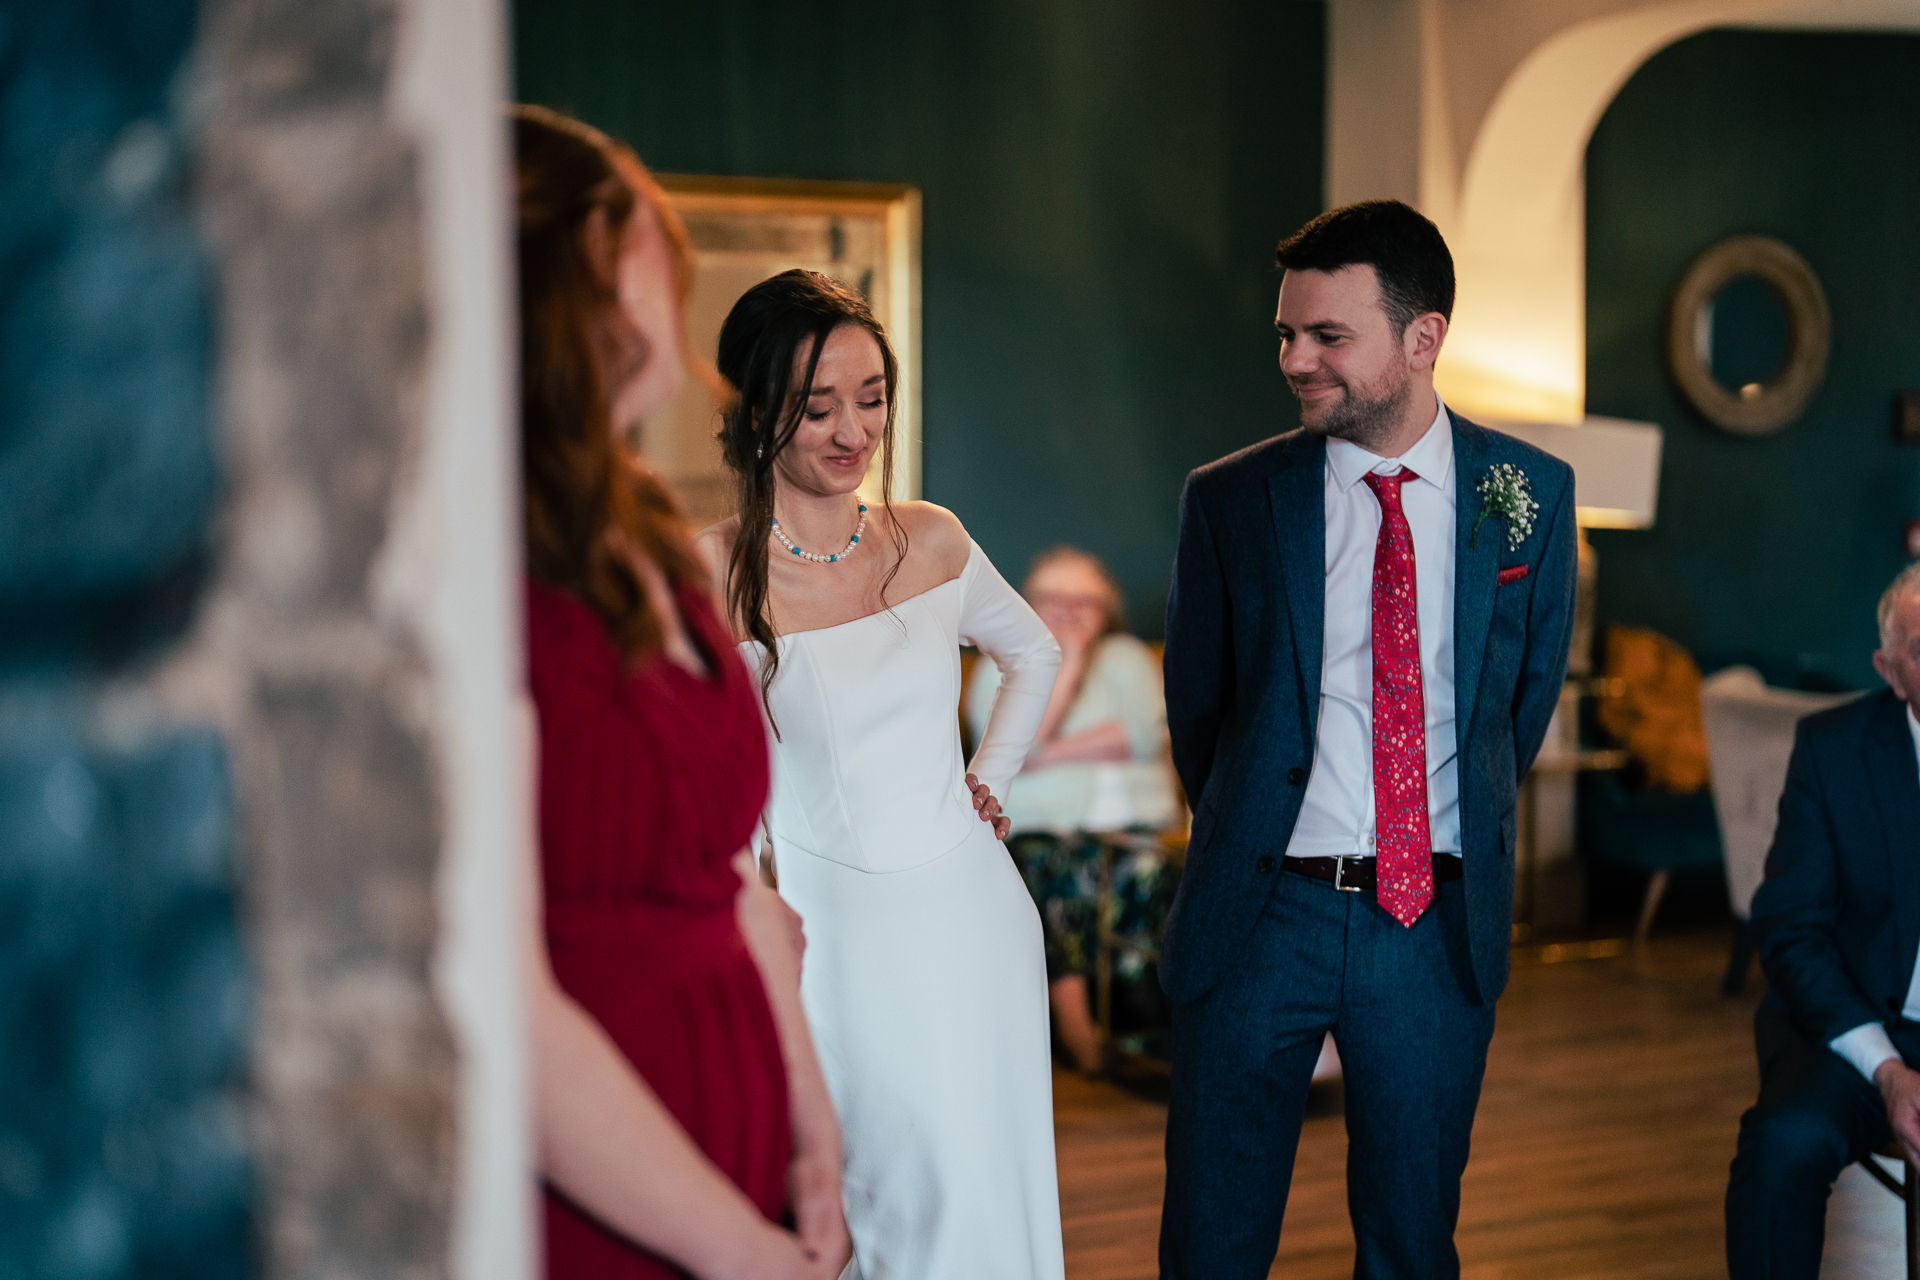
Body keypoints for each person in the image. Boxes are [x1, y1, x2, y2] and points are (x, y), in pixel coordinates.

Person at [1157, 199, 1577, 1279]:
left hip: (1431, 926)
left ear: (1421, 338)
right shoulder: (1231, 500)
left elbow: (1516, 709)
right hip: (1260, 913)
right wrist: (1259, 827)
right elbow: (1198, 710)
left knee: (1409, 1240)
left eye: (1327, 336)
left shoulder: (1529, 495)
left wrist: (1425, 833)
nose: (1297, 359)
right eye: (1287, 334)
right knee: (1212, 1236)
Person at [513, 106, 846, 1280]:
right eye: (642, 239)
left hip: (744, 1145)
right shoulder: (479, 574)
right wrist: (737, 1249)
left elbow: (730, 888)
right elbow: (506, 1000)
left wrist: (813, 1132)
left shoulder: (645, 533)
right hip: (611, 1184)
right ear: (578, 262)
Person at [693, 268, 1067, 1280]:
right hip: (834, 931)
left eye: (871, 399)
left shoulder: (930, 536)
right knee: (885, 1187)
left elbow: (1033, 654)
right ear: (756, 410)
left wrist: (990, 776)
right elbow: (701, 778)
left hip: (971, 912)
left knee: (988, 1180)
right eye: (819, 406)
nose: (853, 430)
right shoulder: (707, 570)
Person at [1726, 562, 1920, 1279]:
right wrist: (1890, 1070)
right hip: (1859, 1032)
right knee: (1781, 1146)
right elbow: (1791, 928)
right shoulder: (1834, 751)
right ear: (1890, 671)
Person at [965, 547, 1181, 1072]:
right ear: (1026, 602)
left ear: (1106, 609)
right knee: (1058, 872)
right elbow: (1003, 742)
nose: (1068, 610)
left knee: (1154, 871)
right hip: (1040, 826)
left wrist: (1040, 751)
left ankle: (1149, 1025)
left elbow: (1144, 737)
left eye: (1084, 601)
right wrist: (1068, 661)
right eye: (1053, 599)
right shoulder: (998, 660)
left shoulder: (1129, 657)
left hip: (1135, 822)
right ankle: (1077, 1026)